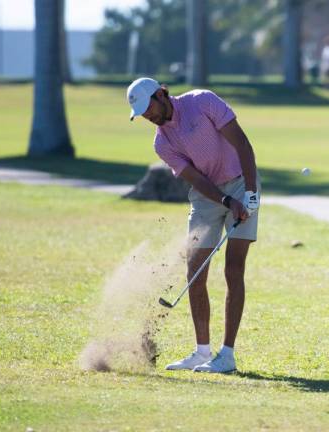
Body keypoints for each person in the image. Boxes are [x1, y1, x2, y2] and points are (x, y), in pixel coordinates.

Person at [127, 77, 260, 372]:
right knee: (194, 272)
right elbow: (197, 180)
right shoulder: (162, 142)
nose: (149, 116)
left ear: (162, 94)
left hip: (242, 182)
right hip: (207, 195)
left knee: (233, 268)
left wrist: (249, 194)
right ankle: (201, 352)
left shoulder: (203, 101)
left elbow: (242, 144)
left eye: (149, 108)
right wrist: (226, 202)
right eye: (143, 115)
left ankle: (226, 355)